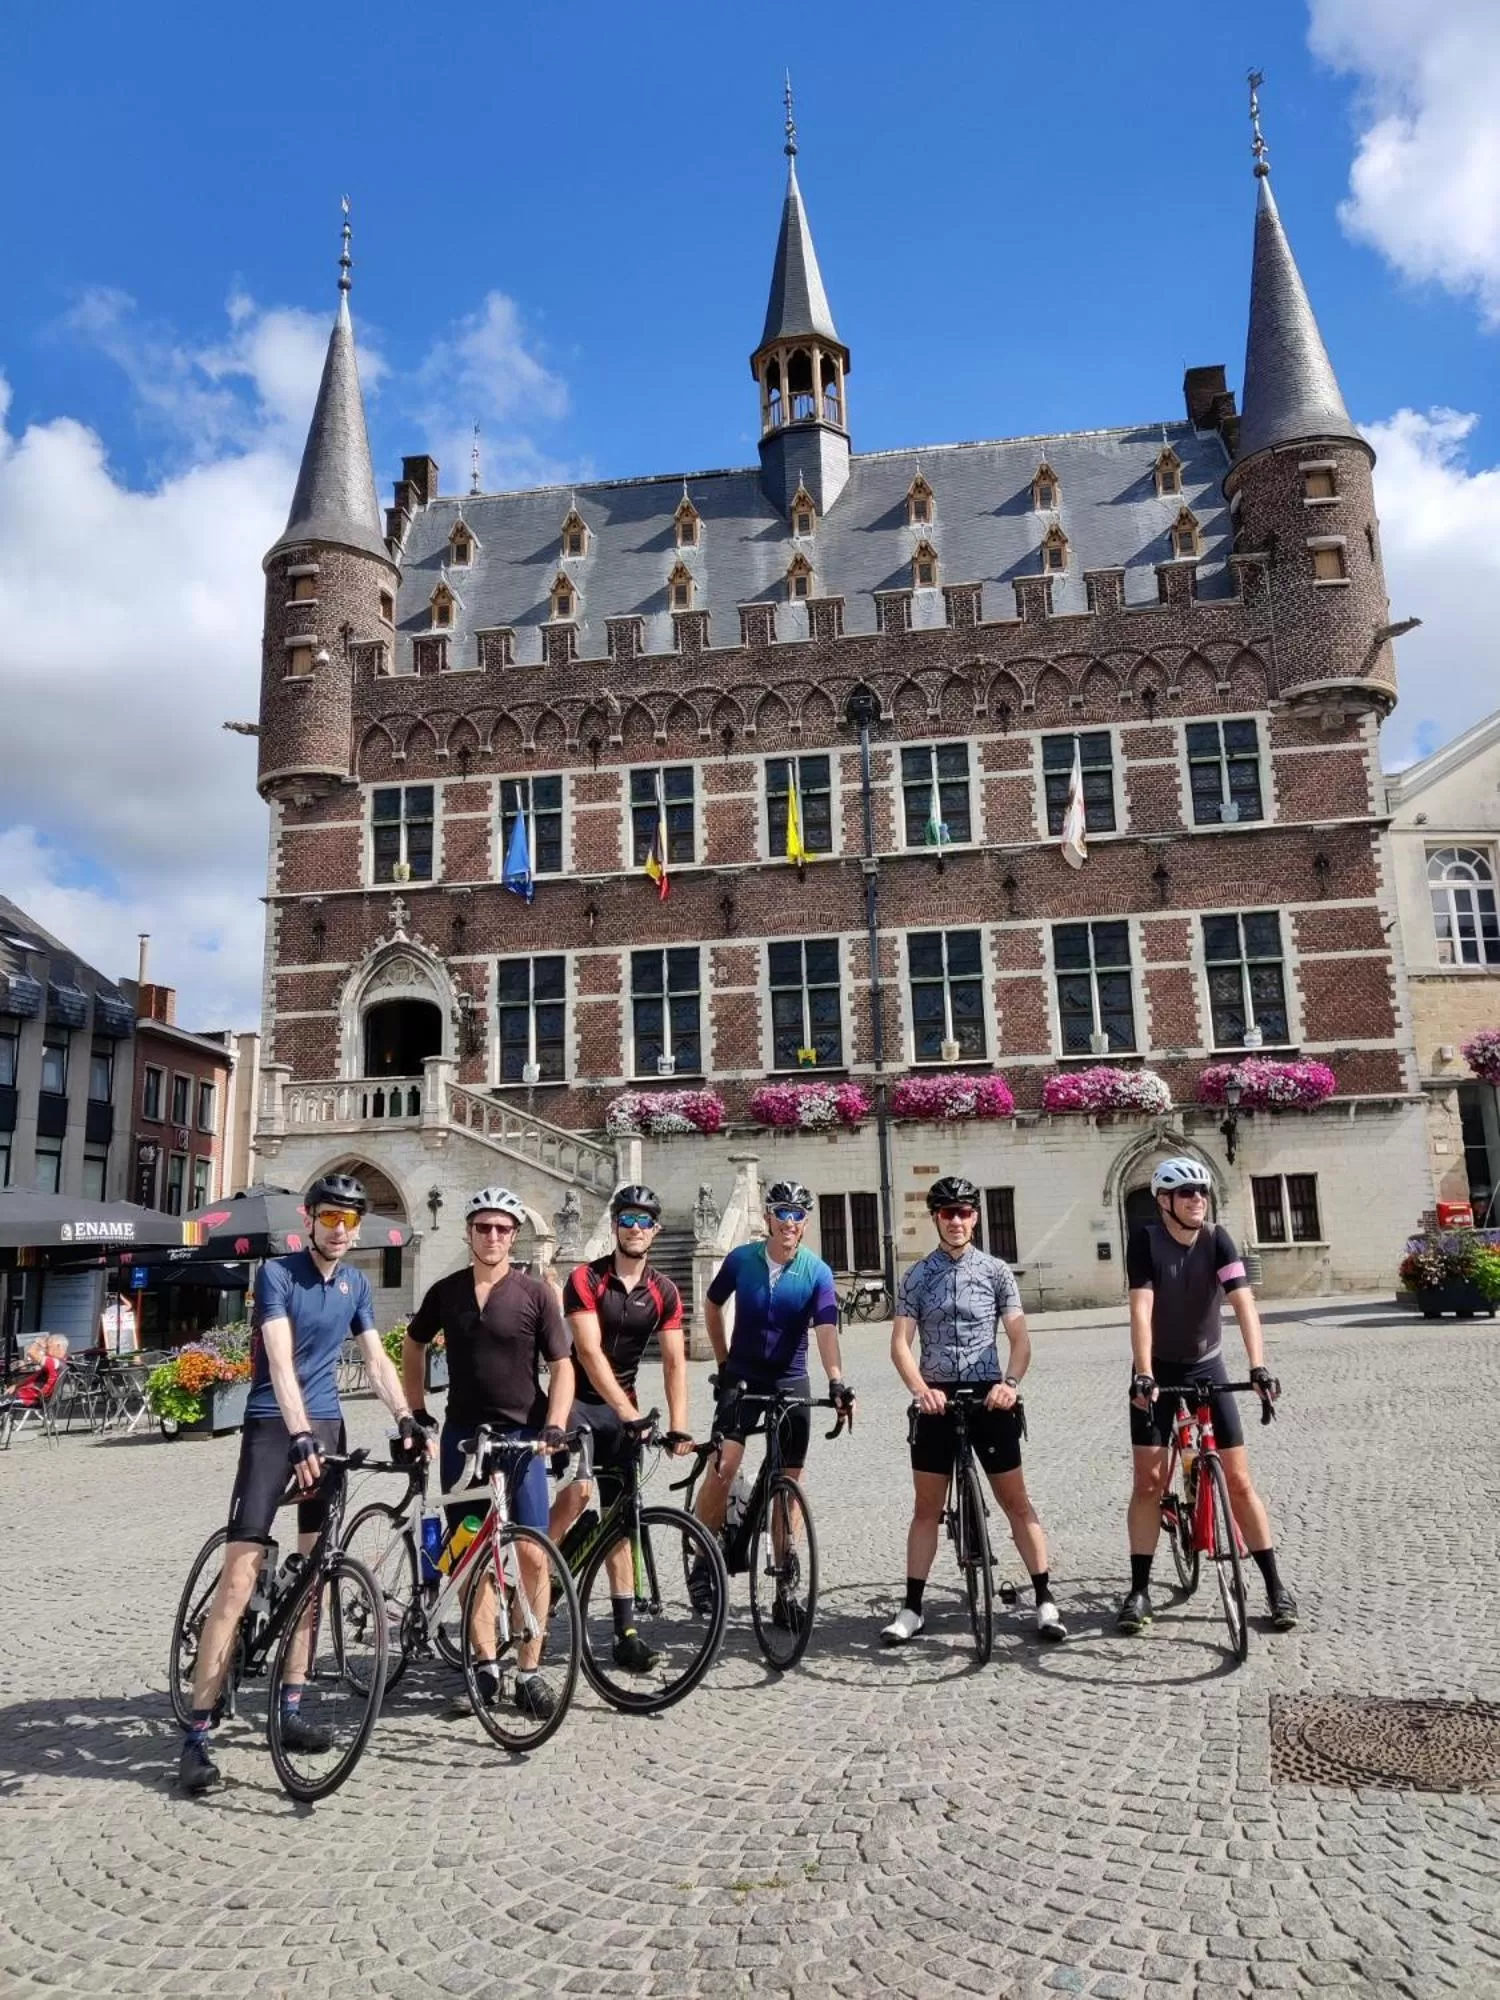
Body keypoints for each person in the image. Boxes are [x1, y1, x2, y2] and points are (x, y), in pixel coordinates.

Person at [178, 1174, 421, 1795]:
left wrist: (405, 1417)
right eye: (330, 1219)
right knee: (240, 1573)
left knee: (315, 1574)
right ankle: (197, 1734)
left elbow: (375, 1357)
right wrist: (296, 1434)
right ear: (309, 1219)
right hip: (271, 1427)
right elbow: (280, 1363)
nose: (340, 1231)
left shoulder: (357, 1282)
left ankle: (289, 1707)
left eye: (350, 1221)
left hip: (328, 1426)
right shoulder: (279, 1275)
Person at [404, 1185, 575, 1721]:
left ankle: (529, 1669)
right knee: (469, 1554)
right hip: (463, 1439)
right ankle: (483, 1665)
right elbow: (413, 1342)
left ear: (514, 1235)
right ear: (469, 1232)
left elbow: (563, 1365)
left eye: (502, 1228)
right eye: (484, 1227)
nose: (493, 1236)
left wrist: (554, 1424)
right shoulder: (447, 1291)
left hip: (522, 1438)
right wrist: (415, 1407)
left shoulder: (535, 1294)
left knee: (532, 1553)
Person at [882, 1177, 1067, 1646]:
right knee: (926, 1509)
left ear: (976, 1217)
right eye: (948, 1214)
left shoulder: (996, 1272)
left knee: (1017, 1503)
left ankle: (1045, 1598)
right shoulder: (917, 1276)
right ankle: (912, 1607)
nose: (957, 1221)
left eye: (965, 1212)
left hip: (989, 1394)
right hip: (937, 1396)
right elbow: (900, 1344)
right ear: (936, 1219)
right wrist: (920, 1389)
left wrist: (1009, 1384)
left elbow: (1020, 1338)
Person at [1116, 1156, 1295, 1635]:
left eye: (1202, 1192)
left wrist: (1257, 1366)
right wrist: (1145, 1374)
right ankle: (1138, 1590)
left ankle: (1276, 1586)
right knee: (1149, 1484)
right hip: (1157, 1367)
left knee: (1239, 1482)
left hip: (1207, 1362)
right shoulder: (1146, 1241)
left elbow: (1243, 1303)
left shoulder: (1218, 1239)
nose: (1198, 1200)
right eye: (1187, 1193)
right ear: (1164, 1202)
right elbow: (1141, 1309)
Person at [690, 1178, 854, 1630]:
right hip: (743, 1372)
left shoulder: (817, 1272)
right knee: (725, 1464)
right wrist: (723, 1363)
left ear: (805, 1223)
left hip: (790, 1377)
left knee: (788, 1483)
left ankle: (785, 1589)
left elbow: (825, 1330)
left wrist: (836, 1381)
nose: (789, 1220)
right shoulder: (742, 1260)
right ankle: (705, 1559)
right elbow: (711, 1304)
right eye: (781, 1211)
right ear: (768, 1217)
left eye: (797, 1214)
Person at [548, 1184, 693, 1672]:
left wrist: (679, 1425)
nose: (634, 1229)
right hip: (578, 1403)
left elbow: (675, 1362)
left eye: (643, 1221)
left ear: (655, 1229)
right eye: (626, 1219)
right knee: (581, 1492)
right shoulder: (586, 1279)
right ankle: (540, 1573)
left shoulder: (664, 1291)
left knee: (622, 1519)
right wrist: (628, 1413)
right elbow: (586, 1353)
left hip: (623, 1408)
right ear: (615, 1226)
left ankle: (626, 1632)